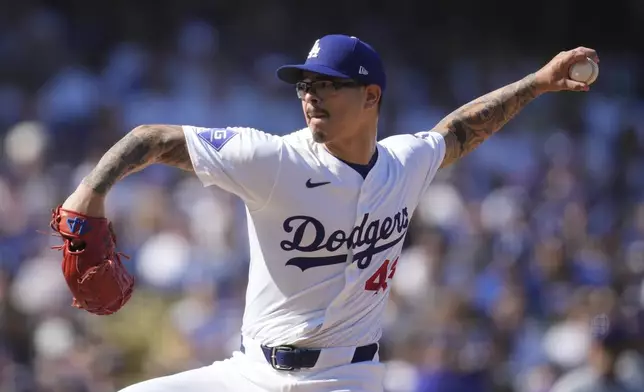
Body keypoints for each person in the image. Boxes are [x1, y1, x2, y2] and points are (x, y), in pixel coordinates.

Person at [59, 34, 598, 392]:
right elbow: (149, 139)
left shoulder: (406, 163)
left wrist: (540, 82)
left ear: (371, 97)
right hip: (251, 373)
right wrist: (89, 191)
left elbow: (459, 129)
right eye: (305, 84)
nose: (311, 95)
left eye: (328, 84)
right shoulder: (271, 159)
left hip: (350, 378)